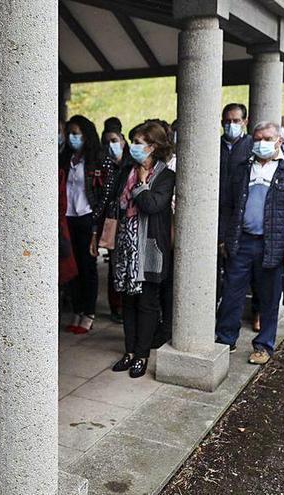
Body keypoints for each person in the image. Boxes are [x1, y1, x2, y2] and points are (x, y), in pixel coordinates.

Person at [215, 121, 284, 365]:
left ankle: (263, 345)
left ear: (279, 140)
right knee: (232, 292)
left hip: (273, 245)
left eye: (267, 138)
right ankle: (226, 339)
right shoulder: (242, 168)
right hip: (242, 242)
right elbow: (228, 206)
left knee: (269, 298)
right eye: (257, 139)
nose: (261, 143)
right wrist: (224, 238)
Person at [108, 121, 176, 378]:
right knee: (128, 301)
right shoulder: (127, 169)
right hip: (126, 246)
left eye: (139, 142)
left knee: (147, 303)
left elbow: (152, 205)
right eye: (133, 141)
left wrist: (141, 184)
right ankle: (129, 351)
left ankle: (142, 354)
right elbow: (117, 202)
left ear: (154, 146)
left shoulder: (166, 175)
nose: (134, 147)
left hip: (149, 248)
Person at [218, 103, 260, 330]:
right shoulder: (215, 145)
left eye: (235, 121)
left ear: (245, 121)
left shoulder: (252, 146)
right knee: (220, 268)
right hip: (216, 212)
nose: (230, 125)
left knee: (248, 271)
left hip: (242, 214)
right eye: (227, 121)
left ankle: (256, 312)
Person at [61, 115, 102, 334]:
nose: (72, 138)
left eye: (76, 134)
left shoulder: (95, 158)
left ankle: (89, 312)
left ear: (86, 135)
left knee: (88, 267)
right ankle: (76, 310)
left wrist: (97, 222)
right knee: (72, 266)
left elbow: (101, 191)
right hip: (68, 217)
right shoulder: (65, 158)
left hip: (87, 216)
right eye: (70, 134)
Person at [90, 127, 128, 323]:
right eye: (107, 142)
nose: (111, 145)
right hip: (111, 221)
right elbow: (99, 196)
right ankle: (117, 307)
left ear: (122, 140)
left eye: (114, 140)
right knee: (115, 266)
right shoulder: (104, 165)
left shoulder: (130, 164)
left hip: (129, 222)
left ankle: (128, 305)